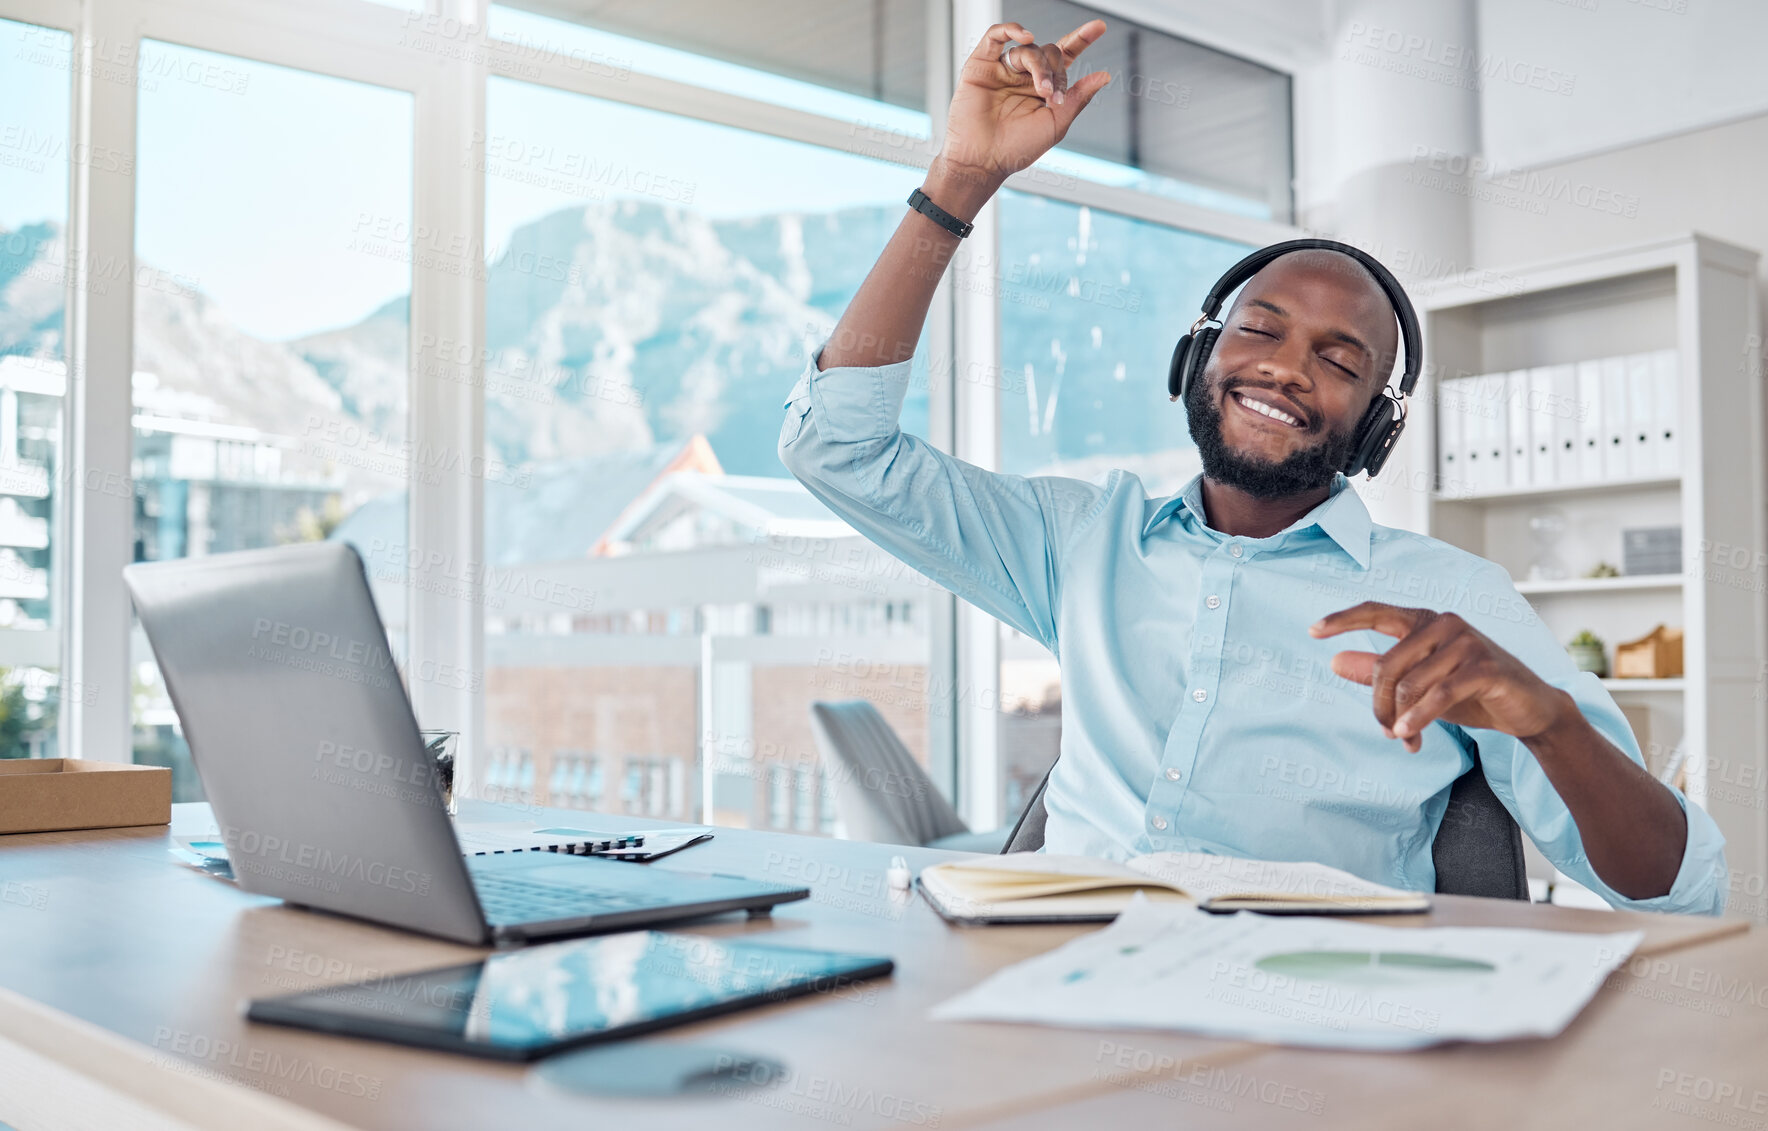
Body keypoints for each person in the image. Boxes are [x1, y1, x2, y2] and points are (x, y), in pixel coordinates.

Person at [778, 20, 1723, 913]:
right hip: (1051, 982)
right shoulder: (1080, 541)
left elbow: (1675, 889)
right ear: (1199, 360)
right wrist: (959, 181)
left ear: (1371, 432)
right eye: (1260, 330)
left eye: (1339, 360)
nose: (1284, 365)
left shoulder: (1452, 601)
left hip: (1307, 1021)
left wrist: (1550, 722)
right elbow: (837, 448)